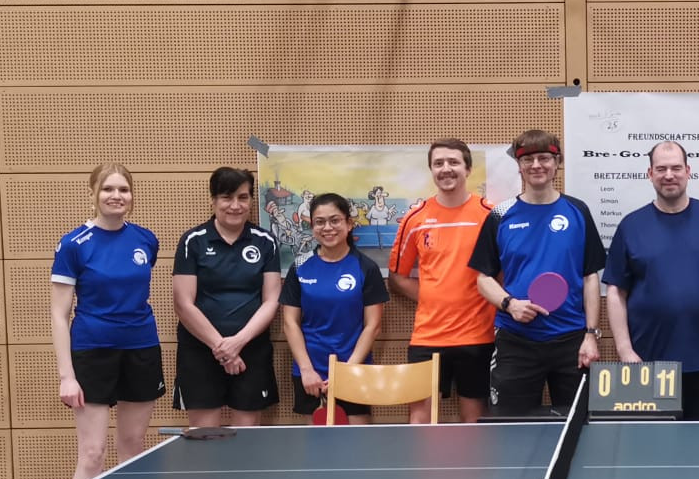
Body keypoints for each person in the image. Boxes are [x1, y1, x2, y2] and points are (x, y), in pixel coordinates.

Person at [50, 162, 165, 479]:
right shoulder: (74, 244)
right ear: (94, 193)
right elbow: (59, 316)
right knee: (93, 453)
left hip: (140, 348)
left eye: (124, 189)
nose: (116, 196)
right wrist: (67, 376)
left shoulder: (145, 240)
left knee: (133, 448)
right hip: (92, 352)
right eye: (108, 189)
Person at [604, 141, 699, 421]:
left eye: (675, 168)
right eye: (661, 169)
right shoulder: (631, 226)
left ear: (688, 171)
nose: (669, 175)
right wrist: (624, 350)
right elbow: (615, 292)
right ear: (650, 173)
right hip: (648, 365)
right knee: (652, 454)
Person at [469, 129, 605, 416]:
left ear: (557, 163)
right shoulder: (500, 214)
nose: (536, 165)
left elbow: (590, 276)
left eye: (545, 157)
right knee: (510, 429)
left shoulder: (578, 211)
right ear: (519, 166)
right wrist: (510, 304)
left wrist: (591, 334)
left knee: (579, 428)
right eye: (528, 159)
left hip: (571, 340)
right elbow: (483, 278)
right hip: (516, 339)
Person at [388, 138, 495, 424]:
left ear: (468, 169)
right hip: (427, 336)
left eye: (453, 162)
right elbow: (397, 277)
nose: (446, 169)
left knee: (474, 422)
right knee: (419, 420)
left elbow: (503, 275)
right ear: (431, 170)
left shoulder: (490, 216)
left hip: (478, 336)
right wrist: (434, 297)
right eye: (438, 164)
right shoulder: (415, 218)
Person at [171, 166, 282, 428]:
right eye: (226, 197)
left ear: (251, 200)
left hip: (251, 351)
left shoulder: (266, 241)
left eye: (243, 197)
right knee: (203, 441)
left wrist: (238, 343)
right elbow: (183, 304)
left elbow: (271, 301)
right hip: (200, 351)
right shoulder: (192, 241)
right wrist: (223, 349)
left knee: (247, 442)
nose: (235, 205)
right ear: (213, 200)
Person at [279, 192, 388, 425]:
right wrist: (307, 370)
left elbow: (373, 326)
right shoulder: (300, 267)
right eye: (320, 221)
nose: (327, 227)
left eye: (335, 220)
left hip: (354, 369)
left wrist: (348, 371)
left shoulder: (365, 268)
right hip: (310, 373)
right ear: (312, 225)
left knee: (358, 449)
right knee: (318, 451)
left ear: (349, 224)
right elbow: (290, 323)